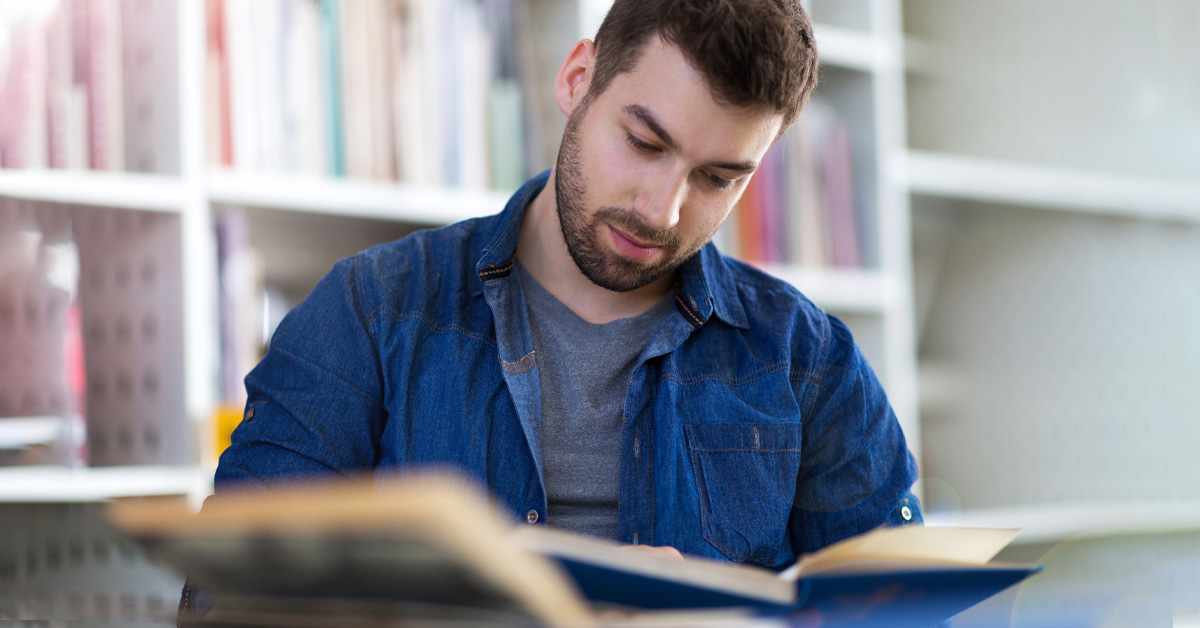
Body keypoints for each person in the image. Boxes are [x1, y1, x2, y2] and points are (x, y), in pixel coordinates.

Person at [215, 0, 921, 571]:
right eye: (645, 143)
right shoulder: (371, 311)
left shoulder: (808, 360)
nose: (661, 210)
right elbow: (229, 596)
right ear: (578, 78)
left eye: (718, 179)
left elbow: (908, 612)